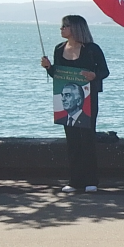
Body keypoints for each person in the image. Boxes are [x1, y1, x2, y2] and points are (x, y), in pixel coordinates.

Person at [40, 15, 108, 193]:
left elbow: (104, 71)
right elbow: (59, 75)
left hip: (88, 100)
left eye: (65, 26)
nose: (61, 29)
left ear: (76, 28)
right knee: (72, 141)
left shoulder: (92, 49)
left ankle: (91, 180)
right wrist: (48, 67)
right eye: (62, 26)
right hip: (65, 102)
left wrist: (94, 75)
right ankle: (75, 180)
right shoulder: (59, 48)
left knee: (87, 139)